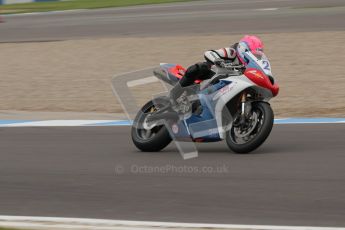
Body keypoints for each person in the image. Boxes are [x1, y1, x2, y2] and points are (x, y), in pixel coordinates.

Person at [170, 35, 264, 101]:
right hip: (211, 76)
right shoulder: (232, 52)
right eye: (252, 53)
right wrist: (218, 60)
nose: (254, 56)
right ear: (243, 49)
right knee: (201, 67)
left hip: (226, 89)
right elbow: (209, 53)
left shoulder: (250, 65)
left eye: (256, 55)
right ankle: (173, 96)